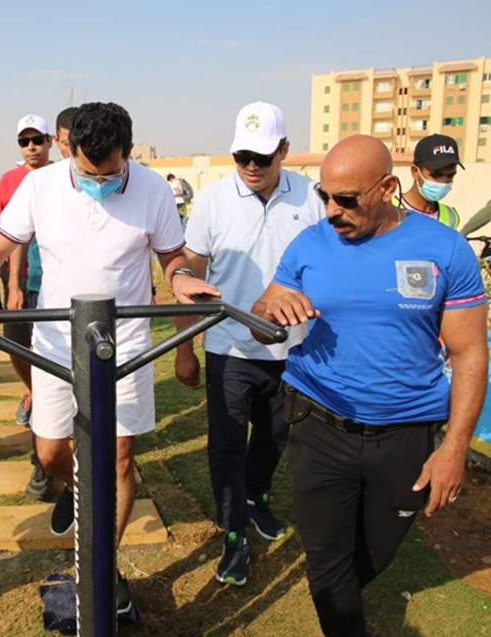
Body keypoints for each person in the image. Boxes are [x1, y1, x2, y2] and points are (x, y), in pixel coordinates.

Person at [0, 102, 219, 617]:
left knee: (118, 459)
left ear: (127, 153)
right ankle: (80, 497)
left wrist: (182, 279)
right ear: (69, 150)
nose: (97, 183)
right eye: (86, 173)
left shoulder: (153, 189)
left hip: (125, 342)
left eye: (109, 174)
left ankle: (100, 567)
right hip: (57, 343)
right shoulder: (41, 186)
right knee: (52, 453)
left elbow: (171, 256)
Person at [250, 135, 488, 637]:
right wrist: (270, 309)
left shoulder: (445, 249)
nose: (332, 211)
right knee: (326, 560)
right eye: (324, 196)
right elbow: (261, 314)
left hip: (406, 432)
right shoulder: (309, 244)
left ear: (387, 188)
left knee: (376, 551)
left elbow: (469, 353)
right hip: (317, 421)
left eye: (347, 199)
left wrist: (455, 447)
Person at [175, 102, 326, 586]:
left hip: (293, 349)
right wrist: (183, 346)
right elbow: (190, 274)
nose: (252, 166)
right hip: (229, 348)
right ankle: (234, 531)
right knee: (226, 444)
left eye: (262, 156)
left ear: (285, 150)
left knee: (276, 434)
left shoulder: (311, 198)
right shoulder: (212, 201)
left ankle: (255, 496)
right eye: (243, 156)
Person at [0, 114, 54, 499]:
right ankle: (32, 395)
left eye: (37, 140)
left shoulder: (63, 177)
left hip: (58, 288)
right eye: (24, 141)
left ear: (50, 141)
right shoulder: (11, 182)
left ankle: (46, 463)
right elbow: (5, 237)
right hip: (25, 285)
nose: (31, 147)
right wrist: (8, 286)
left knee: (58, 379)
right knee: (21, 352)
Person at [397, 134, 463, 228]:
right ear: (415, 172)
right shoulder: (388, 211)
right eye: (436, 175)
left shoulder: (451, 217)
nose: (443, 182)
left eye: (450, 175)